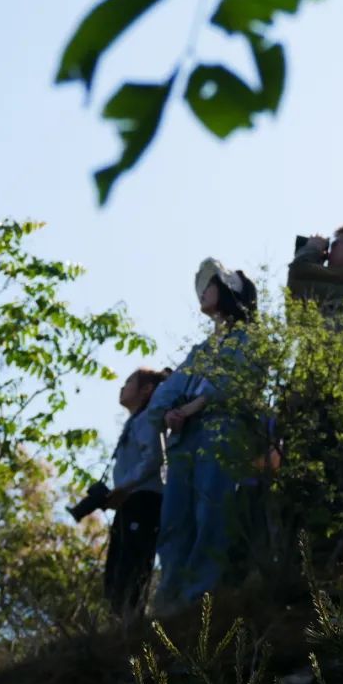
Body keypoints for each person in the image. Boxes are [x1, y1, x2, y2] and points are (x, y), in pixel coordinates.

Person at [145, 258, 259, 611]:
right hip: (185, 437)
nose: (204, 290)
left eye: (211, 284)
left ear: (228, 292)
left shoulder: (249, 338)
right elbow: (168, 390)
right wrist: (167, 411)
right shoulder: (201, 350)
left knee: (211, 510)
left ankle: (201, 599)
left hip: (221, 429)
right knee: (175, 520)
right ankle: (169, 601)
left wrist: (189, 409)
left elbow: (235, 383)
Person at [100, 367, 169, 615]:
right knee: (116, 569)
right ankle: (120, 624)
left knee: (133, 565)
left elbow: (153, 458)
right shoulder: (134, 422)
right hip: (130, 500)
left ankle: (132, 624)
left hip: (144, 499)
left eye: (129, 381)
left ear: (146, 389)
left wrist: (124, 486)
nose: (122, 387)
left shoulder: (147, 419)